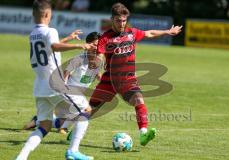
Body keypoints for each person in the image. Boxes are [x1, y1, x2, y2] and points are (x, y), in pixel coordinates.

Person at [89, 2, 182, 146]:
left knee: (139, 100)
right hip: (109, 80)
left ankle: (144, 134)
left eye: (124, 20)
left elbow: (149, 33)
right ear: (112, 19)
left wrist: (167, 32)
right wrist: (96, 62)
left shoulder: (131, 33)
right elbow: (100, 55)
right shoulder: (106, 38)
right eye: (118, 20)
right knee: (92, 109)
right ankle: (74, 130)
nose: (121, 23)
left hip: (128, 79)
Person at [15, 0, 95, 160]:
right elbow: (54, 47)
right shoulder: (50, 31)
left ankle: (21, 157)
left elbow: (50, 46)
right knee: (85, 111)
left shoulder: (33, 34)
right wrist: (80, 46)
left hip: (40, 87)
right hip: (55, 84)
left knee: (44, 126)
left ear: (33, 14)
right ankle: (73, 150)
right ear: (46, 14)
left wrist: (68, 38)